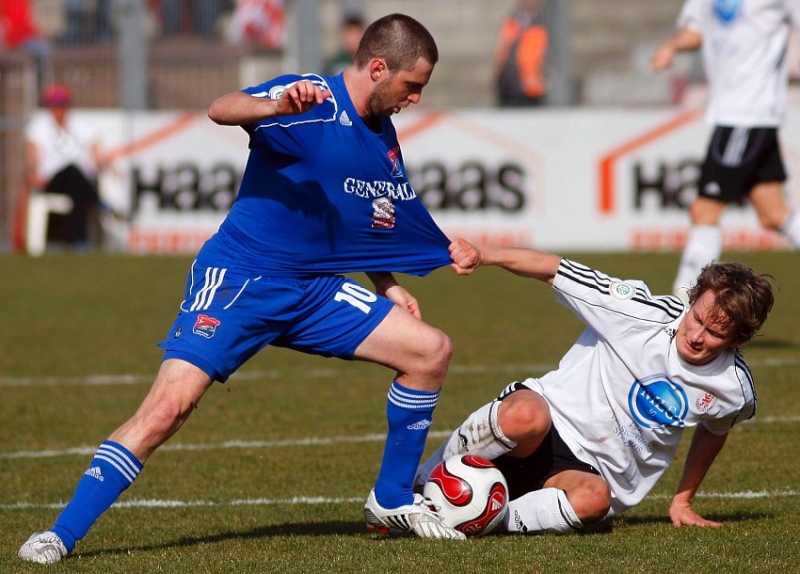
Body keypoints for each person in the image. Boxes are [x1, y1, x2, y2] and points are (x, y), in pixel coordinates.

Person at [18, 13, 464, 564]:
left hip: (314, 289)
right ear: (378, 67)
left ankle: (391, 499)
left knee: (429, 350)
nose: (414, 98)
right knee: (167, 409)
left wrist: (388, 285)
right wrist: (275, 106)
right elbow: (222, 107)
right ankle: (60, 535)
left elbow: (361, 217)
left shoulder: (380, 131)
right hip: (240, 280)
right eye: (411, 85)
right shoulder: (309, 98)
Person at [415, 238, 773, 534]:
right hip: (546, 422)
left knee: (594, 501)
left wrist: (682, 499)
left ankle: (487, 519)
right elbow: (554, 269)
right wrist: (484, 255)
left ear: (737, 340)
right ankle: (418, 487)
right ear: (692, 301)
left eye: (715, 333)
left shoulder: (734, 388)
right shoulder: (638, 313)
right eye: (696, 318)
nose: (696, 336)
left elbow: (715, 428)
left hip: (587, 472)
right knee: (525, 415)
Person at [651, 0, 800, 301]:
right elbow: (696, 30)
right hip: (733, 112)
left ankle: (683, 302)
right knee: (774, 214)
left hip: (746, 112)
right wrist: (671, 46)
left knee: (705, 209)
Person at [24, 84, 105, 250]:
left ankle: (76, 240)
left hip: (80, 181)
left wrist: (102, 165)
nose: (58, 109)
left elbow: (95, 154)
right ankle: (80, 235)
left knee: (77, 183)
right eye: (55, 104)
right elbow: (32, 156)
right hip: (53, 180)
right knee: (72, 173)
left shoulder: (81, 124)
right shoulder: (38, 126)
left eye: (62, 104)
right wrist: (33, 173)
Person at [493, 0, 549, 107]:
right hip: (511, 82)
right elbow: (503, 49)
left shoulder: (544, 23)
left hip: (532, 86)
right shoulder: (513, 21)